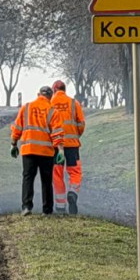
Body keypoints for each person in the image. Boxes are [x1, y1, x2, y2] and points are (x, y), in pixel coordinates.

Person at [10, 85, 65, 216]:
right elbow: (57, 133)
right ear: (50, 97)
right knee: (46, 180)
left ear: (38, 94)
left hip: (29, 150)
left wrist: (13, 144)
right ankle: (47, 210)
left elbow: (17, 127)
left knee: (28, 178)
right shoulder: (52, 111)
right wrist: (61, 150)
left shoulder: (26, 107)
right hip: (46, 151)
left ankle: (26, 207)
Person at [49, 80, 86, 215]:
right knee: (75, 172)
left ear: (54, 90)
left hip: (56, 146)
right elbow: (81, 124)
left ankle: (60, 206)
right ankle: (73, 192)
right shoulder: (73, 103)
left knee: (57, 175)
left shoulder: (50, 104)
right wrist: (76, 135)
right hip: (72, 146)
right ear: (65, 90)